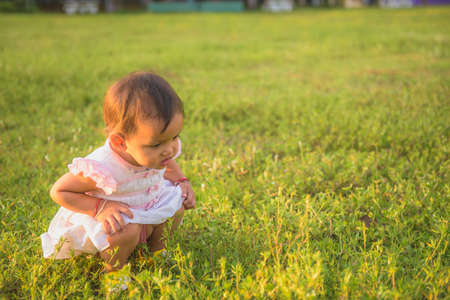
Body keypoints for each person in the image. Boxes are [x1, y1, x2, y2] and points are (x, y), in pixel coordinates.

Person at [41, 71, 195, 274]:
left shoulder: (160, 148)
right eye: (157, 144)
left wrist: (182, 180)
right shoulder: (103, 167)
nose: (170, 149)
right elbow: (59, 191)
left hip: (146, 202)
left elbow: (168, 163)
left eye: (175, 137)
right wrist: (100, 207)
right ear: (120, 142)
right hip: (115, 218)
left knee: (176, 206)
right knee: (126, 232)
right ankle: (114, 270)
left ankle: (157, 250)